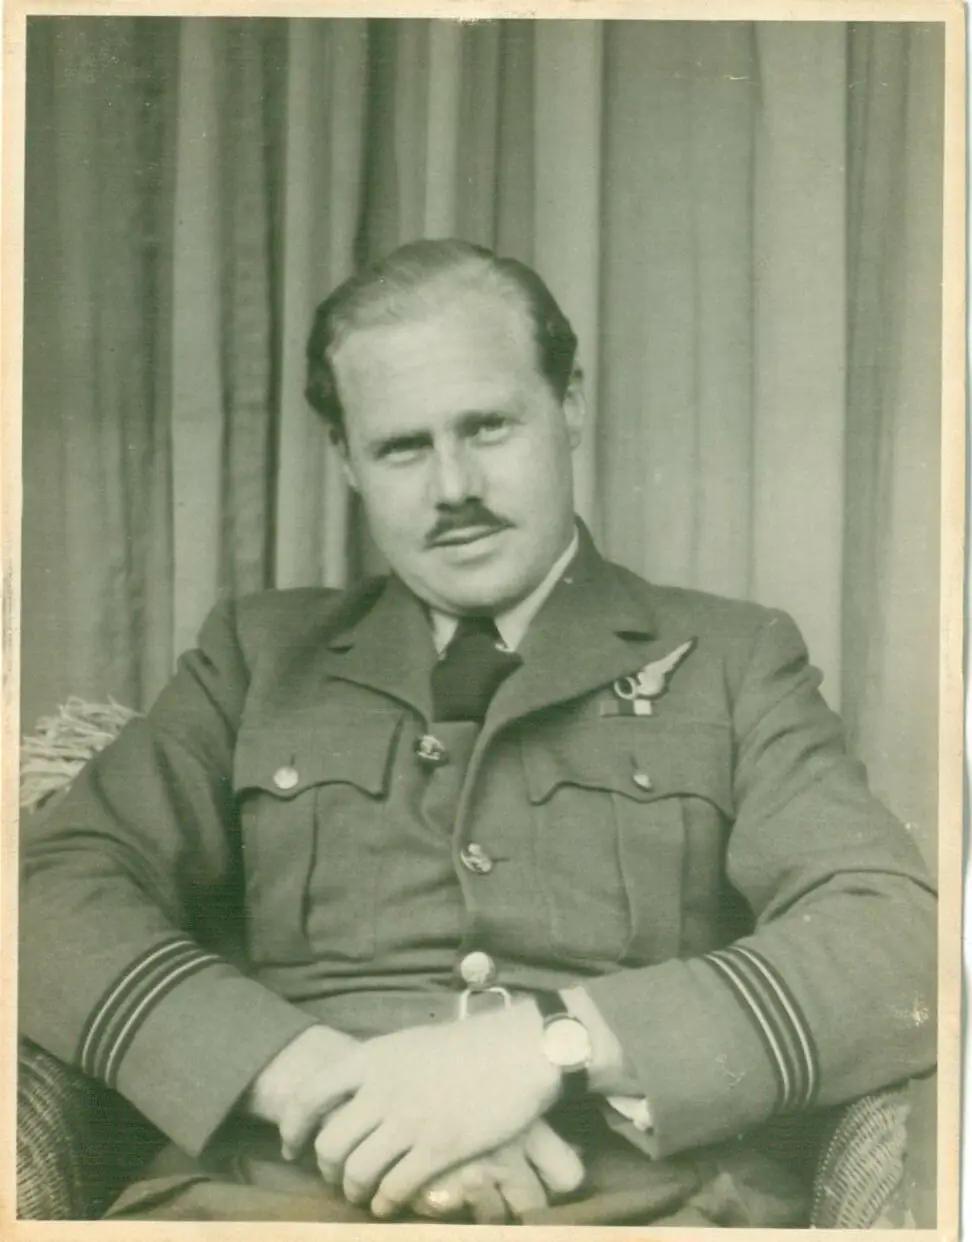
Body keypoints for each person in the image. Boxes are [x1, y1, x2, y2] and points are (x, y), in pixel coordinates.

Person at [20, 239, 937, 1225]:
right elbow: (48, 894)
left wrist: (542, 1051)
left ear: (570, 408)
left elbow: (895, 936)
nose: (452, 487)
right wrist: (312, 1082)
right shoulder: (255, 659)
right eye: (402, 447)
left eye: (489, 426)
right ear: (346, 461)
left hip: (636, 1205)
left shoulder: (732, 656)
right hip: (275, 1201)